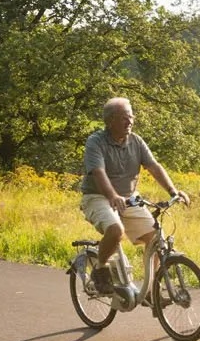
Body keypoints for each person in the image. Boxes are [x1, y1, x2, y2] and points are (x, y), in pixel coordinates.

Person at [80, 97, 189, 300]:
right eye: (124, 118)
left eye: (131, 117)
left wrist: (174, 192)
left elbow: (154, 167)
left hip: (129, 198)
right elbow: (98, 172)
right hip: (97, 197)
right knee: (115, 230)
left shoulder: (136, 141)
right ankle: (100, 267)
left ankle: (150, 291)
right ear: (110, 121)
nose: (129, 122)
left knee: (157, 238)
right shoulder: (96, 141)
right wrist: (113, 196)